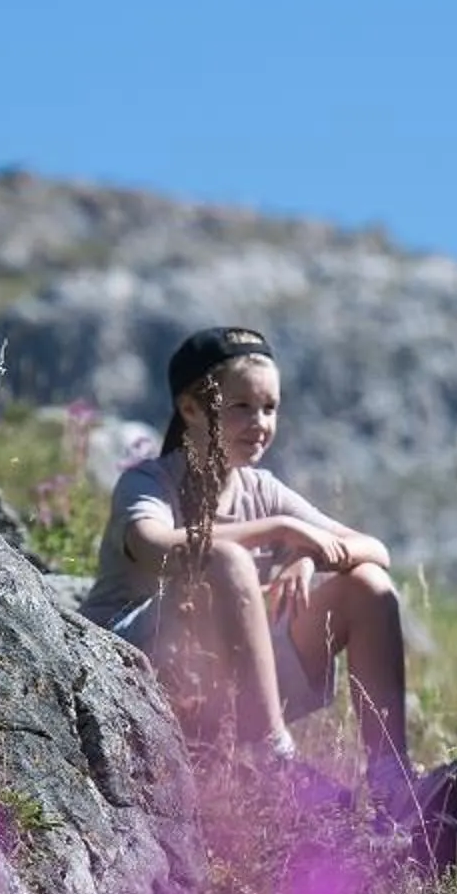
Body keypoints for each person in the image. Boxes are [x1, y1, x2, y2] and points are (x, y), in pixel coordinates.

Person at [85, 327, 411, 806]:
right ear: (190, 408)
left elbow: (375, 548)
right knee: (223, 558)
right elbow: (153, 544)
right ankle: (271, 758)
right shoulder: (149, 482)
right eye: (240, 407)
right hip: (136, 671)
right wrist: (279, 530)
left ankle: (392, 783)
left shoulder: (262, 490)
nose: (259, 422)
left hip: (226, 685)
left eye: (270, 407)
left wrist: (306, 554)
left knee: (368, 584)